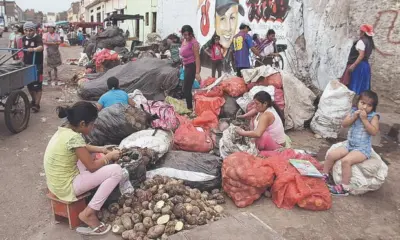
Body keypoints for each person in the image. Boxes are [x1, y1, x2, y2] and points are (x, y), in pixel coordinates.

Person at [44, 101, 122, 235]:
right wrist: (109, 156)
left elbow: (82, 147)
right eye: (92, 124)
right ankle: (88, 213)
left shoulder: (65, 130)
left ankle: (89, 199)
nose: (93, 127)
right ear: (82, 124)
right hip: (66, 187)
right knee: (116, 171)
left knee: (91, 154)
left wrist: (101, 149)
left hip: (55, 183)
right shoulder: (74, 138)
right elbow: (91, 167)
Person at [322, 90, 380, 196]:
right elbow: (344, 124)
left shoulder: (373, 116)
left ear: (373, 108)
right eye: (362, 103)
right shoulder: (353, 111)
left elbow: (374, 132)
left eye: (369, 105)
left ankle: (344, 187)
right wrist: (354, 117)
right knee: (331, 155)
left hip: (362, 148)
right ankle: (324, 175)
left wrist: (365, 120)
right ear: (358, 102)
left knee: (346, 161)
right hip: (350, 144)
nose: (364, 107)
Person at [200, 0, 245, 73]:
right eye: (222, 18)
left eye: (232, 18)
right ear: (215, 20)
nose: (228, 27)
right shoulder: (206, 51)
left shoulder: (236, 47)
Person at [340, 24, 375, 95]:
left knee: (353, 85)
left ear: (363, 32)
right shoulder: (370, 42)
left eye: (360, 31)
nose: (359, 32)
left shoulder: (361, 42)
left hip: (358, 66)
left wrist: (353, 65)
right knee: (362, 87)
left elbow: (361, 55)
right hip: (365, 66)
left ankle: (352, 103)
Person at [22, 22, 44, 113]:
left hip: (37, 65)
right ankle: (33, 100)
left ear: (34, 30)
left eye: (30, 30)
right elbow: (23, 49)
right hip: (27, 64)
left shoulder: (37, 37)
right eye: (26, 30)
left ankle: (37, 104)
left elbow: (41, 47)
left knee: (37, 86)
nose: (28, 32)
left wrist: (34, 49)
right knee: (29, 85)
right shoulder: (23, 38)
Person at [179, 25, 202, 110]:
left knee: (186, 89)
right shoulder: (184, 41)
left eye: (189, 34)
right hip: (186, 66)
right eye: (185, 35)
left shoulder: (194, 43)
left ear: (191, 34)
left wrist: (197, 72)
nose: (187, 36)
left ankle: (190, 108)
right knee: (185, 88)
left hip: (192, 66)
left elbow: (197, 58)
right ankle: (191, 106)